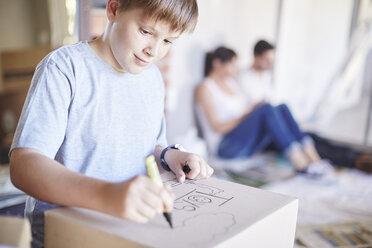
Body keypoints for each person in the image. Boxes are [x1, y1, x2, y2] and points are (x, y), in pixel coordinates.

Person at [9, 0, 213, 247]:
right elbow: (24, 166)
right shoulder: (65, 68)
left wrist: (169, 156)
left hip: (129, 232)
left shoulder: (152, 78)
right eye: (146, 32)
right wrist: (108, 195)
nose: (155, 50)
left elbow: (150, 148)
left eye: (168, 41)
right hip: (64, 235)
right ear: (114, 9)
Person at [239, 40, 372, 172]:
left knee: (312, 137)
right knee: (303, 143)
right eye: (267, 60)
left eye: (272, 60)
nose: (270, 64)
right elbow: (246, 111)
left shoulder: (265, 77)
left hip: (275, 127)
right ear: (256, 57)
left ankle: (358, 154)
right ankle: (356, 162)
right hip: (263, 133)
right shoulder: (243, 78)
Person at [195, 46, 331, 174]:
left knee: (281, 107)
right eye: (232, 64)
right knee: (266, 109)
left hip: (242, 141)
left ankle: (313, 158)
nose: (236, 68)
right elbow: (218, 127)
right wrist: (248, 115)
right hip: (224, 147)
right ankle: (301, 163)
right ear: (217, 63)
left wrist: (252, 110)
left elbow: (243, 111)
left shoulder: (232, 83)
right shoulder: (205, 88)